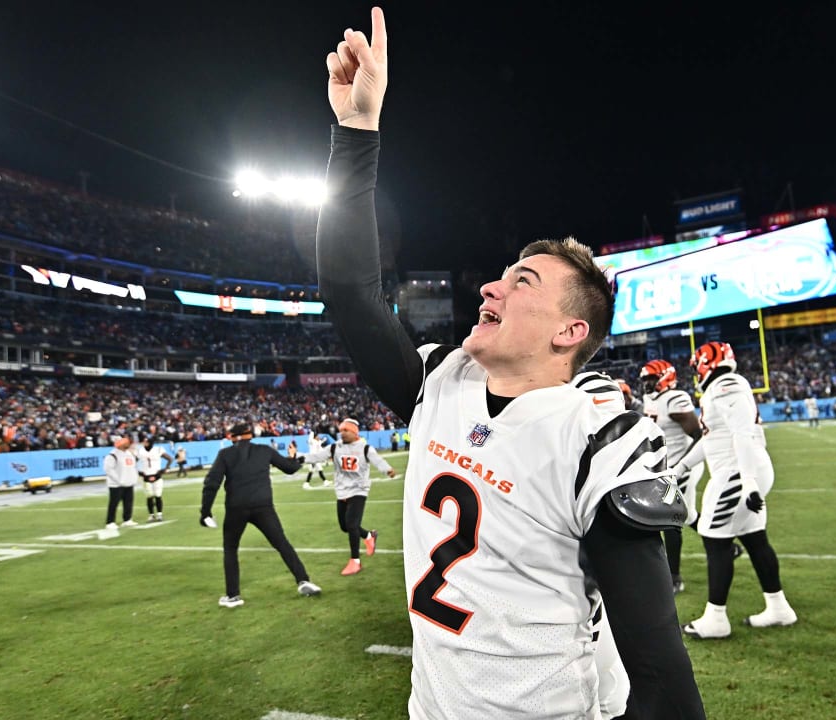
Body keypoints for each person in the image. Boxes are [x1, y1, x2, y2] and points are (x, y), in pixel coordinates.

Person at [315, 9, 706, 718]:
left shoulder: (594, 436)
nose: (490, 287)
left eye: (521, 281)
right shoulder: (441, 383)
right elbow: (348, 292)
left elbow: (660, 673)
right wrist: (357, 134)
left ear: (571, 330)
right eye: (500, 274)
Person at [676, 342, 797, 639]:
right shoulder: (719, 387)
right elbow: (713, 437)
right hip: (740, 470)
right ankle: (778, 607)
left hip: (736, 472)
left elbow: (742, 433)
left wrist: (748, 481)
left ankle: (716, 619)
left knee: (714, 539)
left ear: (706, 363)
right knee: (755, 539)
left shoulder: (726, 384)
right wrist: (681, 466)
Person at [200, 422, 321, 608]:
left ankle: (233, 596)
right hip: (263, 505)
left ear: (233, 437)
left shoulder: (226, 454)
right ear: (251, 435)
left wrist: (205, 512)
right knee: (282, 543)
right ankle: (303, 580)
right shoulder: (264, 450)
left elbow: (211, 483)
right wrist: (294, 457)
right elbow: (290, 468)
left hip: (236, 507)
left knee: (230, 549)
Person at [640, 358, 704, 594]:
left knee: (671, 520)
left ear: (665, 378)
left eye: (651, 379)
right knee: (688, 516)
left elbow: (698, 436)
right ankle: (724, 544)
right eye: (645, 379)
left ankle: (674, 577)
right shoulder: (650, 399)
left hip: (684, 465)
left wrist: (682, 466)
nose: (646, 384)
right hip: (666, 467)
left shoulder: (676, 398)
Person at [302, 418, 395, 576]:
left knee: (352, 524)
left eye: (346, 430)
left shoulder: (365, 448)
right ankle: (368, 536)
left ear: (354, 432)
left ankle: (355, 561)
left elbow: (378, 460)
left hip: (359, 490)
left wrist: (387, 469)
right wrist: (299, 458)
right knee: (345, 526)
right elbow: (317, 457)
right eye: (341, 430)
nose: (342, 433)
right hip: (341, 490)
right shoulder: (335, 447)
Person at [103, 435, 139, 532]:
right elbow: (108, 470)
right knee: (114, 503)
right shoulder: (112, 455)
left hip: (128, 482)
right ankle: (110, 522)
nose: (128, 444)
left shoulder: (129, 454)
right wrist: (118, 480)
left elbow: (133, 467)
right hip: (116, 484)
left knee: (128, 502)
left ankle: (127, 519)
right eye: (125, 442)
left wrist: (134, 478)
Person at [136, 435, 172, 522]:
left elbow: (170, 459)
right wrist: (138, 471)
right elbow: (132, 461)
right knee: (149, 496)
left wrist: (165, 469)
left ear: (151, 442)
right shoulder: (140, 451)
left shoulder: (158, 449)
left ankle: (159, 514)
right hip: (146, 475)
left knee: (158, 495)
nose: (145, 443)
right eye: (144, 441)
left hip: (157, 474)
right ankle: (151, 515)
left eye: (147, 442)